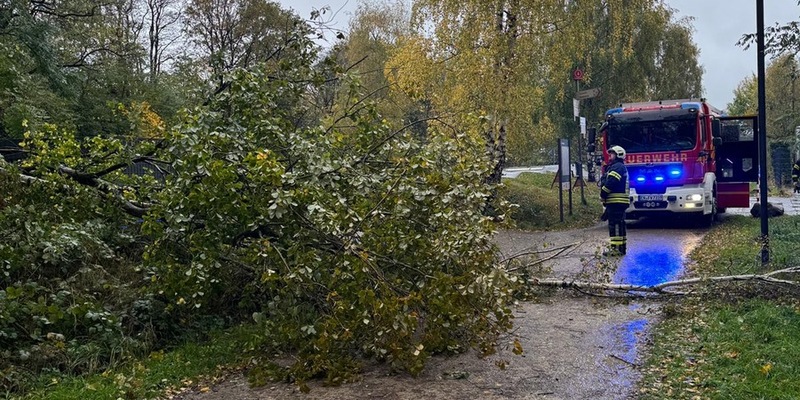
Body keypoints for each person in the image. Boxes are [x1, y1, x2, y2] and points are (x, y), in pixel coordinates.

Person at [600, 145, 630, 256]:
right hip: (618, 202)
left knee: (615, 225)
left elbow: (611, 182)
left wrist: (603, 193)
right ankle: (621, 248)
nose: (610, 156)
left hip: (616, 201)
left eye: (612, 154)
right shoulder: (619, 166)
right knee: (620, 224)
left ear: (618, 155)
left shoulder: (617, 167)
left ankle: (616, 249)